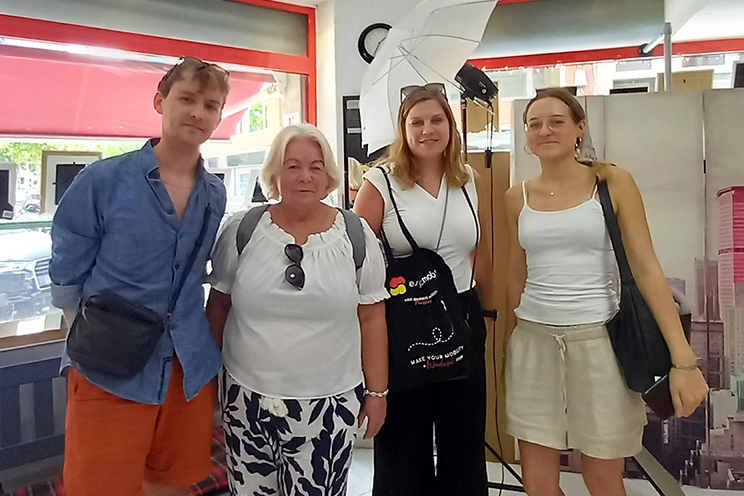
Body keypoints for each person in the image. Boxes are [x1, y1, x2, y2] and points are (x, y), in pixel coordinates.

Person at [504, 87, 709, 496]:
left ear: (579, 127)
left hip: (599, 342)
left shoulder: (612, 182)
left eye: (557, 121)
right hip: (533, 341)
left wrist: (684, 360)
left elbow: (647, 269)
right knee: (537, 482)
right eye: (534, 124)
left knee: (601, 477)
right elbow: (513, 276)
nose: (545, 131)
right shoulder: (516, 197)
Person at [50, 56, 229, 496]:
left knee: (171, 481)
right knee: (101, 486)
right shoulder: (102, 180)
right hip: (110, 365)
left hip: (188, 364)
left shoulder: (215, 192)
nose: (198, 112)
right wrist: (91, 340)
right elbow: (68, 270)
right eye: (186, 99)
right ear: (159, 101)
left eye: (210, 105)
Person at [206, 123, 389, 496]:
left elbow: (372, 318)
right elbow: (219, 307)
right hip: (246, 402)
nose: (305, 176)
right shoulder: (242, 230)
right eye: (292, 166)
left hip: (329, 408)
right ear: (275, 173)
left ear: (328, 176)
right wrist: (209, 384)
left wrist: (377, 394)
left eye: (315, 167)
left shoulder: (355, 236)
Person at [354, 84, 494, 496]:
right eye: (417, 122)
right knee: (403, 444)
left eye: (436, 120)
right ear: (403, 129)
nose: (427, 130)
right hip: (404, 323)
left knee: (464, 442)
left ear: (451, 126)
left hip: (462, 317)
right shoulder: (380, 182)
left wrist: (489, 314)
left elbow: (480, 250)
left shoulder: (468, 179)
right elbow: (358, 262)